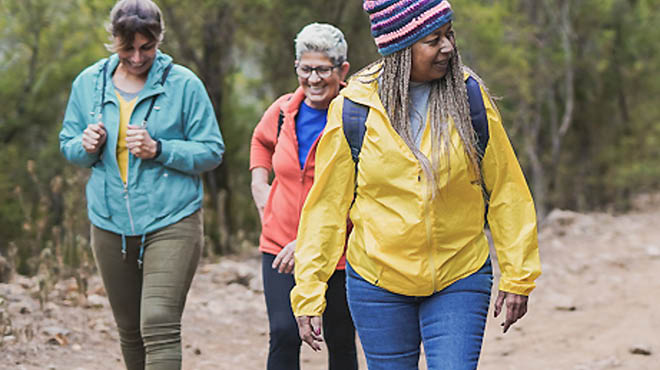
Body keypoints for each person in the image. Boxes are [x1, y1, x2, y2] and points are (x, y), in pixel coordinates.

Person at [291, 1, 542, 369]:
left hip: (460, 273)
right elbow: (326, 207)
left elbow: (506, 189)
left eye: (448, 35)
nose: (448, 48)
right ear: (400, 49)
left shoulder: (469, 97)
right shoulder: (355, 108)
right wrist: (309, 291)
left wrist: (518, 275)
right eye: (432, 40)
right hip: (377, 281)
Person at [59, 1, 224, 369]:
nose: (137, 57)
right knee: (130, 330)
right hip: (109, 222)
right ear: (113, 40)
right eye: (127, 47)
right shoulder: (88, 84)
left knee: (158, 322)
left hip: (172, 220)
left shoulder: (183, 85)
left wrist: (160, 148)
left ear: (159, 39)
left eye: (146, 47)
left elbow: (212, 150)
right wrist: (84, 146)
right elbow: (68, 144)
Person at [250, 23, 358, 370]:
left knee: (339, 337)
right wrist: (258, 184)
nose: (313, 79)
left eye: (323, 69)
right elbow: (260, 143)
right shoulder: (283, 111)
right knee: (284, 333)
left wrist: (311, 241)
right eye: (305, 69)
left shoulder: (357, 118)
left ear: (342, 70)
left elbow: (365, 191)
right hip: (278, 245)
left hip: (338, 252)